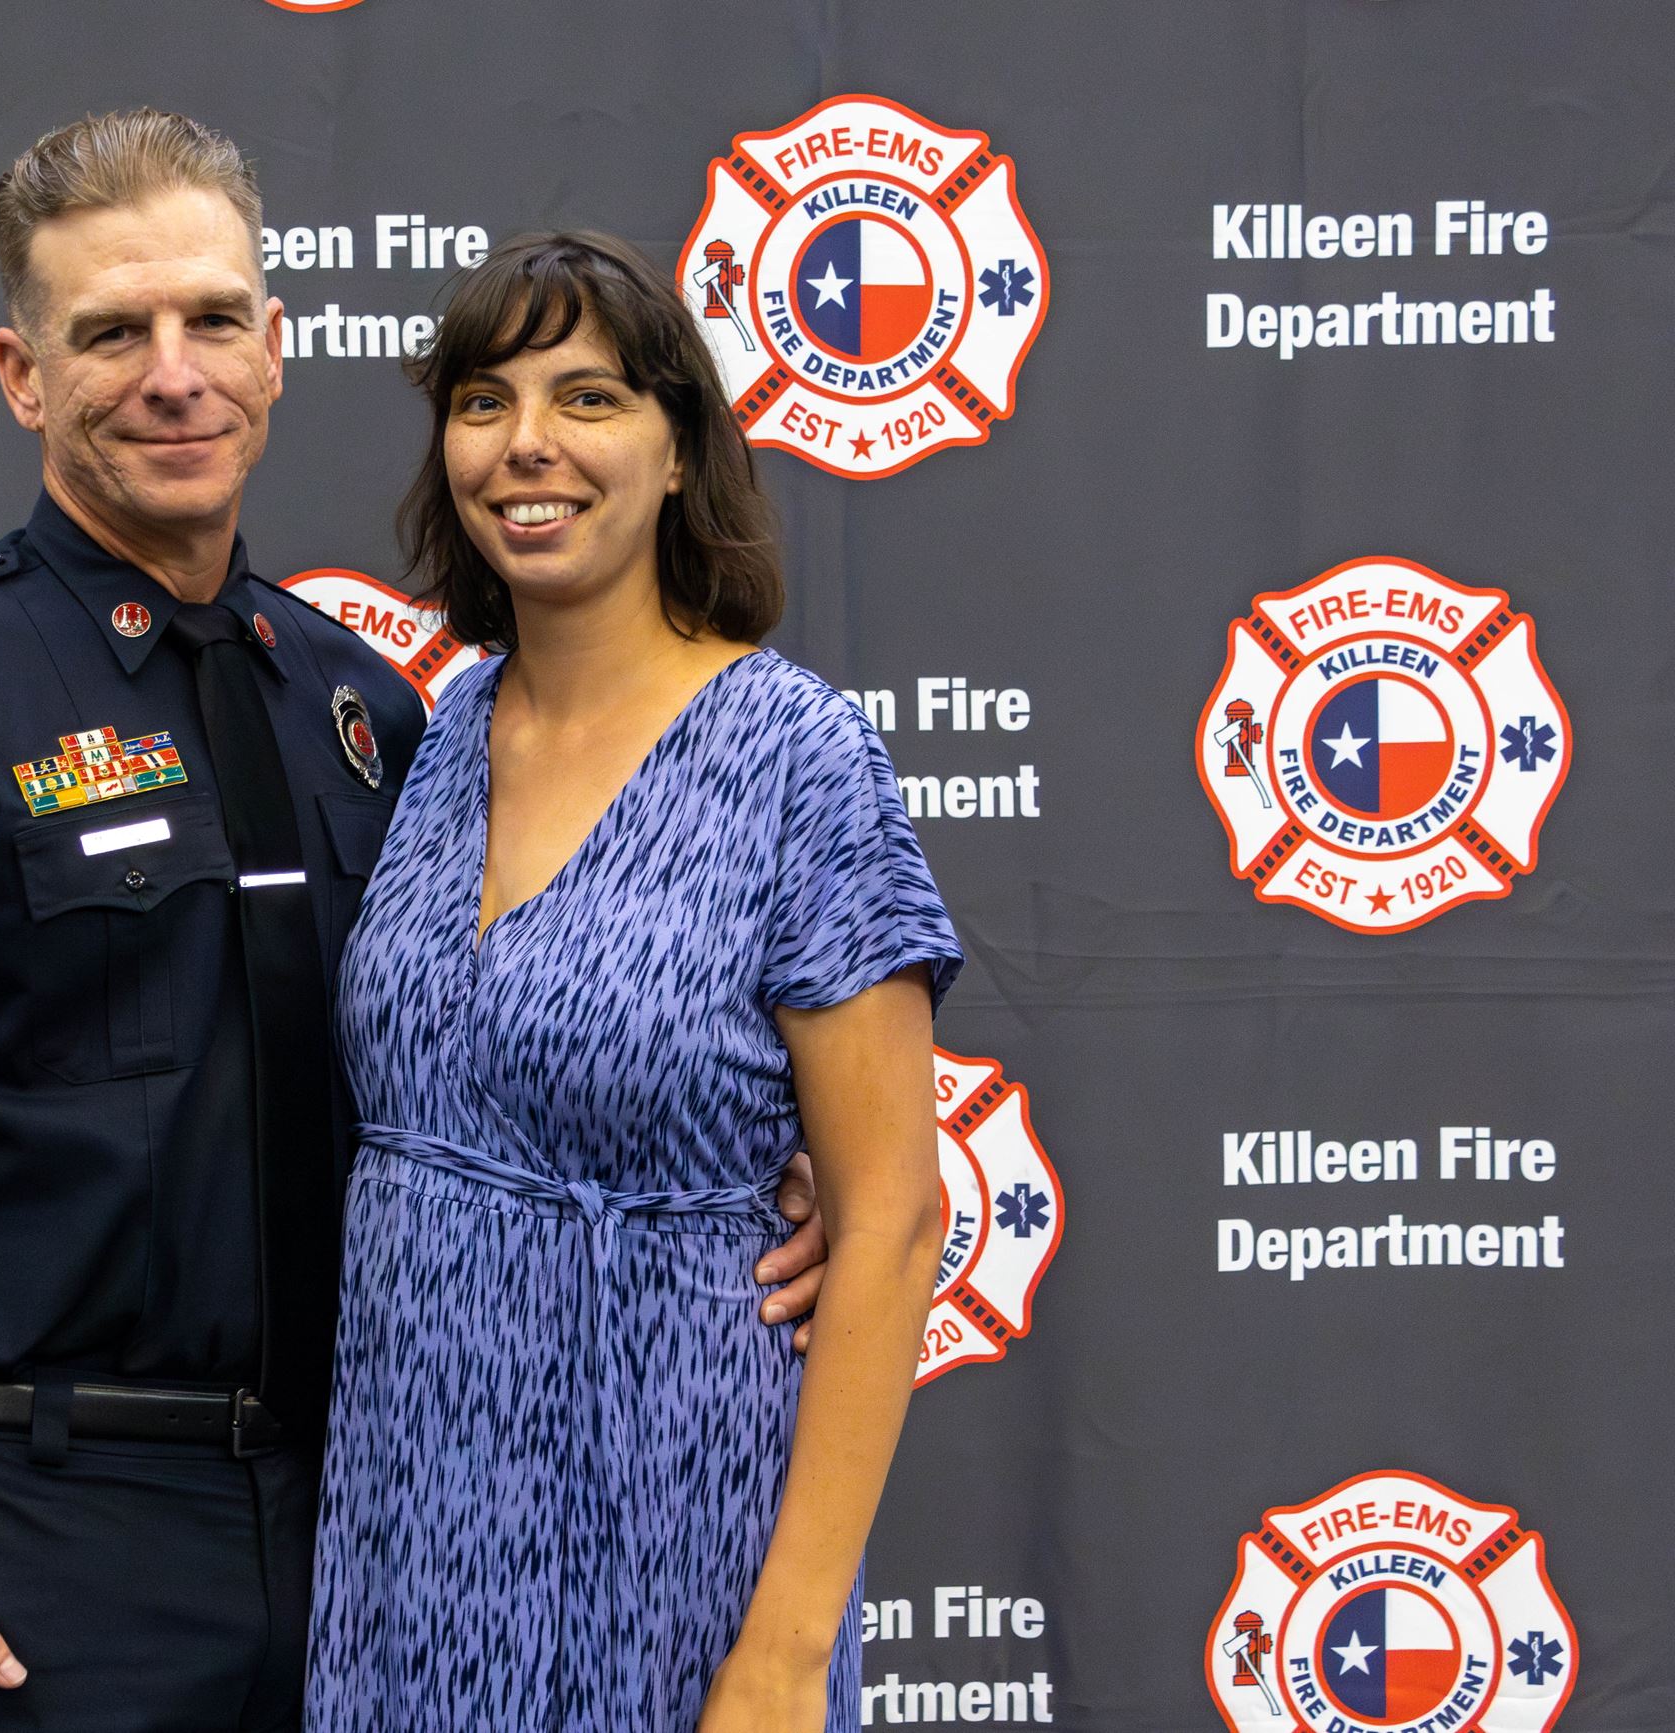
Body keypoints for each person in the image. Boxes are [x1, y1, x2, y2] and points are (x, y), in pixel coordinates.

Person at [0, 116, 832, 1733]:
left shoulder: (367, 710)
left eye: (213, 319)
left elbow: (465, 1043)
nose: (173, 375)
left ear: (275, 351)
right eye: (112, 331)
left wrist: (747, 1164)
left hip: (372, 1540)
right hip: (32, 1557)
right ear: (22, 375)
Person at [304, 233, 961, 1733]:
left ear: (677, 453)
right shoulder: (436, 737)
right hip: (408, 1517)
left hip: (674, 1516)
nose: (526, 443)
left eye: (587, 397)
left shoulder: (799, 756)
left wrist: (786, 1651)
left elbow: (890, 1219)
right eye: (484, 400)